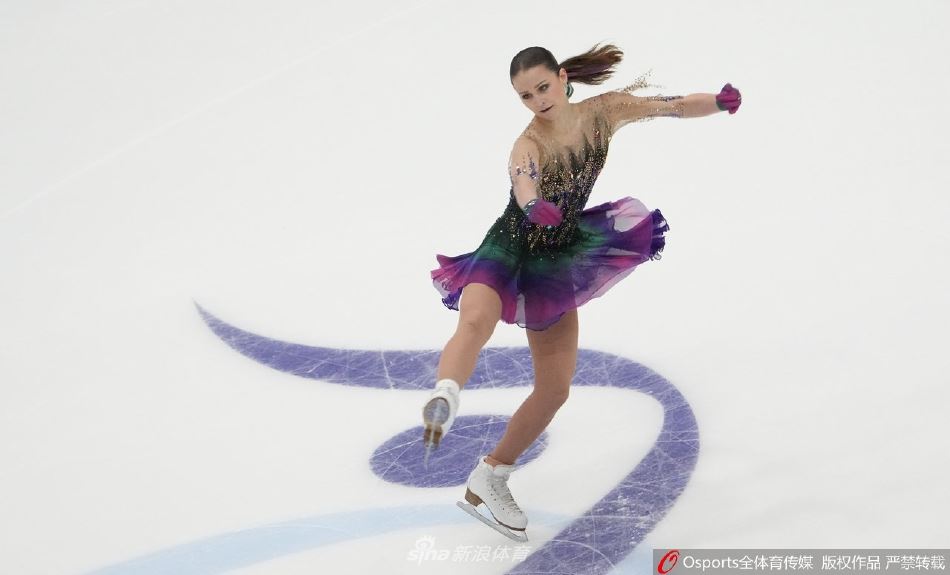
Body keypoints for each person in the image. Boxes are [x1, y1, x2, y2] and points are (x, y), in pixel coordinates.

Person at [423, 43, 741, 539]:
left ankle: (491, 473)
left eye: (542, 88)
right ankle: (445, 395)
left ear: (562, 78)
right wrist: (532, 205)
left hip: (553, 261)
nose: (537, 101)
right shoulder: (528, 142)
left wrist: (717, 103)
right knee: (475, 321)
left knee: (554, 390)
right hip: (508, 247)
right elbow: (524, 180)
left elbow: (674, 106)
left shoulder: (604, 112)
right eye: (526, 96)